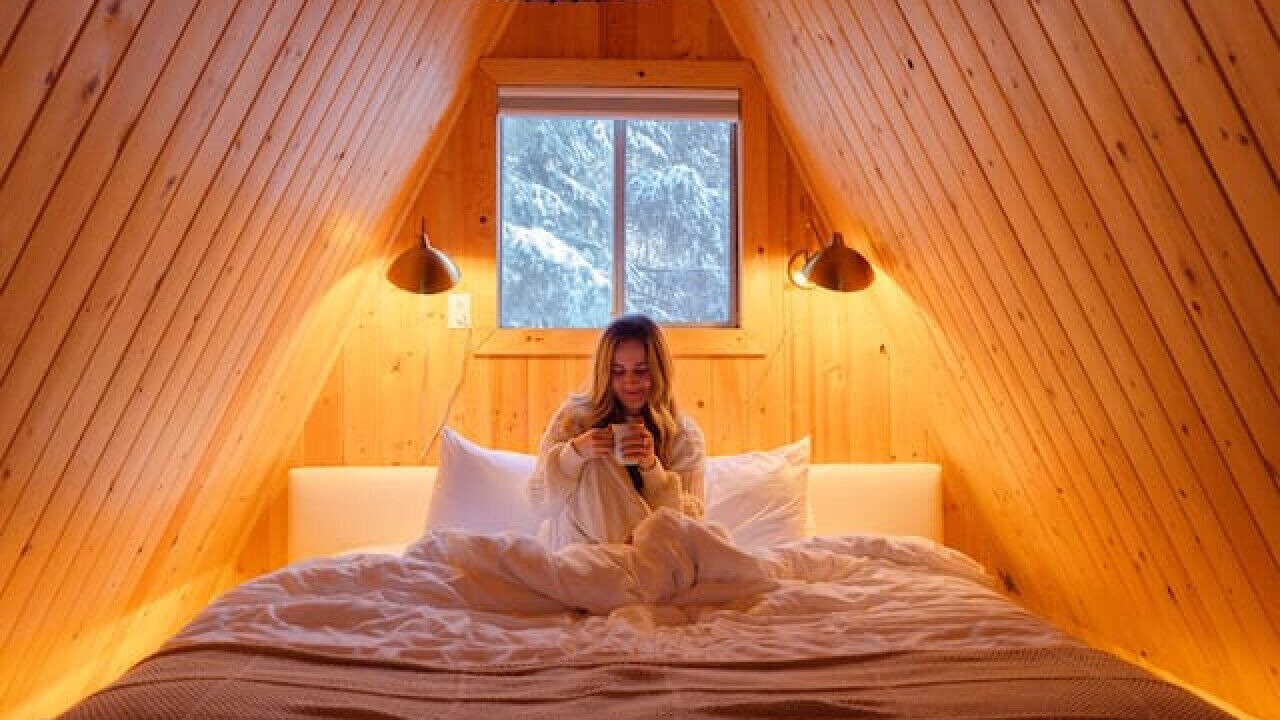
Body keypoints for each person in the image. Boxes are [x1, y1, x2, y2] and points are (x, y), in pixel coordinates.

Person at [527, 313, 706, 549]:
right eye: (617, 371)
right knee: (593, 463)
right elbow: (540, 503)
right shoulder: (574, 419)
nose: (630, 382)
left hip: (645, 556)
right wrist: (575, 454)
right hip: (576, 549)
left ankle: (614, 567)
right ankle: (610, 566)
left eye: (641, 371)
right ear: (604, 373)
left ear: (659, 371)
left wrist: (652, 468)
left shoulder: (684, 436)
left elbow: (689, 522)